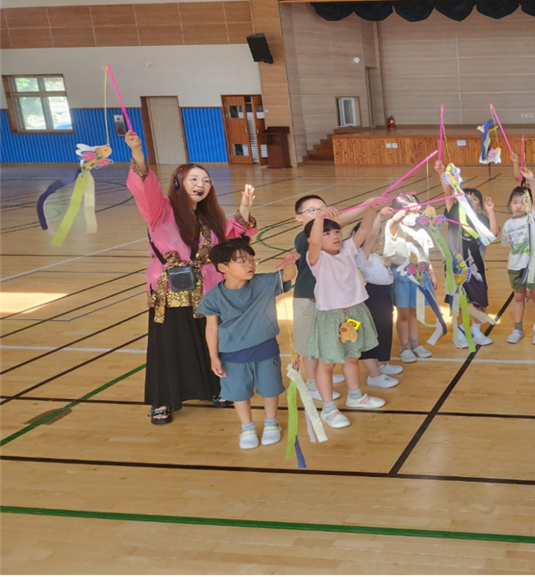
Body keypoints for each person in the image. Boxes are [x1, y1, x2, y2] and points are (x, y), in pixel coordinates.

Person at [124, 130, 256, 426]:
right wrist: (137, 153)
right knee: (170, 344)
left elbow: (232, 240)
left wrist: (244, 210)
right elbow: (145, 189)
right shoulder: (161, 211)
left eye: (206, 180)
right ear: (178, 183)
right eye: (194, 179)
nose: (201, 185)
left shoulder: (210, 217)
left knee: (209, 339)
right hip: (170, 291)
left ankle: (214, 388)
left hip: (206, 288)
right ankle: (162, 400)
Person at [198, 237, 296, 449]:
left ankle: (271, 423)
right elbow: (211, 328)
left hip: (266, 350)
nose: (250, 265)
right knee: (239, 393)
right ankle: (247, 427)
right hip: (233, 354)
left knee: (270, 389)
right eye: (242, 261)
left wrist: (290, 261)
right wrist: (213, 357)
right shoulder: (213, 297)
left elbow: (288, 275)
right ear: (223, 267)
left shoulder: (264, 283)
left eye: (252, 260)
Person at [306, 212, 386, 429]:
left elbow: (364, 229)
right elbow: (315, 242)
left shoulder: (348, 249)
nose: (335, 236)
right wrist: (319, 218)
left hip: (354, 313)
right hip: (330, 317)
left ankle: (355, 395)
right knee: (327, 364)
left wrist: (371, 208)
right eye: (327, 234)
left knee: (352, 357)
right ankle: (329, 409)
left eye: (336, 231)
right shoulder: (316, 258)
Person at [293, 195, 369, 402]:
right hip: (308, 298)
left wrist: (368, 205)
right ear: (299, 218)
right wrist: (365, 206)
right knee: (310, 344)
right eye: (313, 210)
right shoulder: (304, 237)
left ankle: (322, 376)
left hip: (331, 302)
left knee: (328, 342)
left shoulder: (330, 235)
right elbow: (329, 227)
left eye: (323, 208)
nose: (320, 213)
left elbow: (336, 225)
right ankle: (312, 384)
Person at [435, 160, 500, 349]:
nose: (470, 200)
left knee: (481, 301)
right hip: (455, 267)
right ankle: (461, 330)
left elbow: (493, 233)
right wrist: (442, 173)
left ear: (480, 205)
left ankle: (476, 330)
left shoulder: (482, 219)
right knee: (457, 300)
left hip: (475, 267)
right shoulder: (453, 212)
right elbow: (447, 192)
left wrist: (491, 212)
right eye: (467, 197)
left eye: (474, 198)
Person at [352, 207, 403, 388]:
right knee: (372, 334)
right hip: (374, 297)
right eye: (376, 241)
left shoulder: (374, 256)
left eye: (380, 240)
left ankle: (379, 364)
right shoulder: (362, 256)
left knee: (382, 332)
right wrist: (379, 216)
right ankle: (374, 375)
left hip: (384, 295)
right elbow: (370, 234)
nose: (378, 244)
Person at [384, 195, 438, 362]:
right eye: (410, 211)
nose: (415, 214)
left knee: (416, 312)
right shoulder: (394, 227)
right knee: (404, 314)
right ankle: (404, 346)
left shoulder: (421, 231)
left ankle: (415, 343)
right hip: (403, 277)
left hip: (420, 276)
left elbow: (425, 256)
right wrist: (404, 211)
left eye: (416, 210)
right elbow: (393, 221)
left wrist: (432, 274)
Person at [502, 167, 535, 344]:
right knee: (519, 297)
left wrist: (532, 180)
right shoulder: (508, 224)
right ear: (510, 204)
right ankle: (518, 329)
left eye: (523, 202)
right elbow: (508, 244)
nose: (519, 205)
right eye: (515, 202)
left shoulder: (534, 217)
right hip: (515, 266)